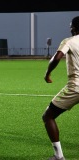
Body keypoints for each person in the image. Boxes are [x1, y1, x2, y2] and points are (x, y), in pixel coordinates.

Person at [42, 16, 79, 160]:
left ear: (75, 27)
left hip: (76, 86)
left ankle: (59, 156)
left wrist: (47, 74)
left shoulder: (69, 41)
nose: (70, 28)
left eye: (71, 26)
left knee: (48, 116)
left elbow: (56, 58)